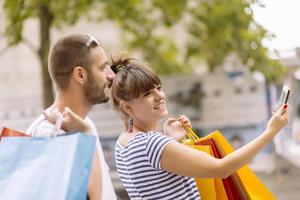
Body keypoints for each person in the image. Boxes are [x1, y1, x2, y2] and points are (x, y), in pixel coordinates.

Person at [51, 55, 288, 200]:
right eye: (146, 94)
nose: (158, 96)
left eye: (158, 88)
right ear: (127, 106)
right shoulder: (152, 144)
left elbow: (156, 182)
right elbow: (222, 168)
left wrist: (170, 139)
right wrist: (271, 131)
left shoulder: (124, 144)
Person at [26, 34, 117, 200]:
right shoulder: (48, 134)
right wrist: (87, 134)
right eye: (103, 67)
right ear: (80, 75)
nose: (112, 76)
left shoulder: (85, 125)